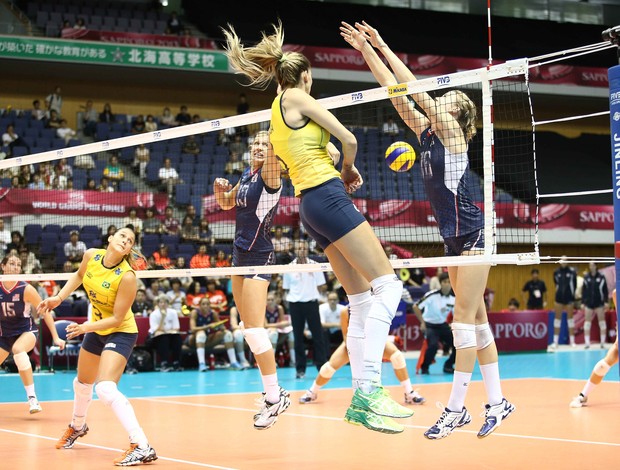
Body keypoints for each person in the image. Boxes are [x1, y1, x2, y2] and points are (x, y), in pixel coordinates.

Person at [223, 21, 412, 435]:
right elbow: (349, 140)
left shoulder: (277, 107)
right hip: (328, 196)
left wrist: (333, 161)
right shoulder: (298, 96)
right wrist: (347, 169)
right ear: (305, 77)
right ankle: (372, 389)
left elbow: (310, 145)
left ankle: (362, 398)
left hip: (309, 207)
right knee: (389, 285)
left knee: (359, 300)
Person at [340, 20, 514, 438]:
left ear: (457, 111)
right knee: (479, 323)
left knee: (463, 322)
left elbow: (416, 90)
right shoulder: (427, 134)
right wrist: (368, 52)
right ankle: (497, 402)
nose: (441, 98)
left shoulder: (453, 133)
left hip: (473, 235)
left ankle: (456, 408)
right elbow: (397, 93)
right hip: (452, 238)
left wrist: (382, 40)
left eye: (448, 96)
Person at [37, 227, 158, 465]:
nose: (125, 240)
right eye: (122, 235)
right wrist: (58, 298)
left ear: (129, 250)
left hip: (120, 331)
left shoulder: (127, 277)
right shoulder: (91, 255)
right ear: (111, 238)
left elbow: (116, 318)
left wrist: (84, 328)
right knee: (82, 383)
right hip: (97, 328)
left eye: (130, 240)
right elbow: (79, 276)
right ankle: (77, 427)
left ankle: (142, 445)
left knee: (105, 388)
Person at [213, 129, 290, 428]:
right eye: (255, 143)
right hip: (238, 256)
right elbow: (227, 203)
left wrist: (276, 127)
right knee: (247, 329)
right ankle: (272, 394)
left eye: (264, 144)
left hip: (260, 256)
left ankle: (274, 396)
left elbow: (274, 151)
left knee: (256, 331)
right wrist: (221, 191)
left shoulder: (271, 174)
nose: (259, 147)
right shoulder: (247, 174)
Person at [299, 301, 425, 406]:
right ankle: (312, 392)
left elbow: (380, 330)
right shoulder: (346, 311)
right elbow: (345, 336)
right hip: (352, 342)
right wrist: (358, 352)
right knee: (328, 368)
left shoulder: (376, 307)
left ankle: (409, 393)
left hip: (373, 340)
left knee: (397, 357)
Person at [1, 254, 66, 413]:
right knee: (14, 349)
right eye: (11, 264)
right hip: (4, 335)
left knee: (18, 351)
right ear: (2, 266)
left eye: (18, 265)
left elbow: (45, 312)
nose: (15, 267)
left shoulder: (26, 289)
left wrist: (56, 337)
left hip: (26, 331)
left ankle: (33, 399)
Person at [282, 240, 330, 380]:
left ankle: (321, 367)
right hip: (295, 305)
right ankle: (300, 369)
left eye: (303, 248)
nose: (301, 250)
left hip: (312, 304)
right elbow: (286, 288)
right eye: (298, 248)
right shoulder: (289, 268)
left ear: (307, 250)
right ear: (295, 250)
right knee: (298, 339)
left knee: (318, 336)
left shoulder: (315, 265)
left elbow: (322, 286)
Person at [413, 272, 456, 375]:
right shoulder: (432, 295)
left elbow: (456, 315)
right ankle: (425, 367)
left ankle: (448, 365)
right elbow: (416, 306)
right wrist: (422, 323)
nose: (447, 284)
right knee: (433, 346)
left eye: (449, 282)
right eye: (445, 282)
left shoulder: (454, 299)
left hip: (442, 325)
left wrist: (454, 325)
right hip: (429, 325)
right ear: (441, 283)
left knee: (458, 345)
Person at [188, 297, 246, 371]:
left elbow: (222, 327)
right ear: (199, 305)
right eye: (203, 304)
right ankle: (201, 364)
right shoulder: (195, 312)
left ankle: (233, 362)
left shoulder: (213, 313)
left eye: (207, 304)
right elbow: (192, 329)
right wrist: (208, 326)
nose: (205, 306)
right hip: (193, 340)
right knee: (201, 333)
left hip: (207, 340)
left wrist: (220, 327)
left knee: (227, 334)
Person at [148, 295, 183, 371]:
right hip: (156, 339)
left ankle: (176, 362)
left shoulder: (173, 312)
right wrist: (163, 317)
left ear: (168, 303)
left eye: (165, 302)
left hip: (170, 336)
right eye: (161, 302)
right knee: (164, 338)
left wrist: (168, 331)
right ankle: (164, 363)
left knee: (177, 338)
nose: (163, 304)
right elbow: (157, 329)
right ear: (158, 304)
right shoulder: (153, 314)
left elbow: (176, 327)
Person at [549, 255, 577, 350]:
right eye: (562, 260)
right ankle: (555, 342)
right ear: (560, 261)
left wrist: (572, 297)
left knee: (570, 320)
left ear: (567, 261)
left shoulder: (572, 272)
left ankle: (572, 342)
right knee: (557, 320)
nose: (563, 262)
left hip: (569, 298)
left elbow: (574, 285)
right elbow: (556, 284)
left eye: (565, 260)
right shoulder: (556, 272)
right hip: (559, 298)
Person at [581, 262, 609, 349]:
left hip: (599, 303)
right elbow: (584, 291)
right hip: (589, 303)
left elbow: (605, 290)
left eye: (592, 265)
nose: (591, 267)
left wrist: (606, 302)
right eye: (590, 265)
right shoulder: (586, 277)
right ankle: (587, 343)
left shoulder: (601, 277)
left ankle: (602, 343)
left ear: (596, 266)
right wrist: (583, 302)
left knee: (602, 322)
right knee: (587, 323)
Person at [264, 291, 296, 366]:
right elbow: (265, 325)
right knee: (274, 333)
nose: (270, 301)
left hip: (276, 329)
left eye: (272, 299)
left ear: (275, 300)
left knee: (291, 333)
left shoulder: (279, 308)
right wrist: (278, 325)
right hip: (265, 331)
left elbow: (283, 323)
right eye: (268, 300)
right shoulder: (263, 308)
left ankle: (293, 360)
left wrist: (278, 325)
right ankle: (271, 361)